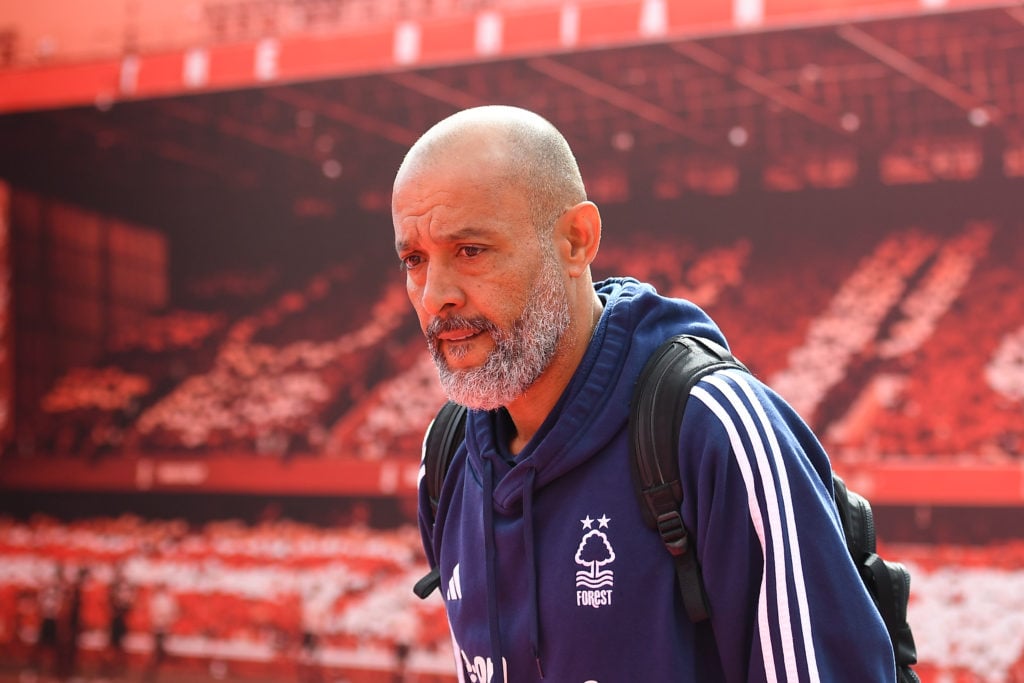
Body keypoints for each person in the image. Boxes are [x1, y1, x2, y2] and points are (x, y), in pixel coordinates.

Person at [391, 105, 897, 682]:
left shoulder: (715, 430)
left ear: (577, 241)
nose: (435, 296)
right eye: (414, 259)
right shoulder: (448, 452)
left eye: (470, 251)